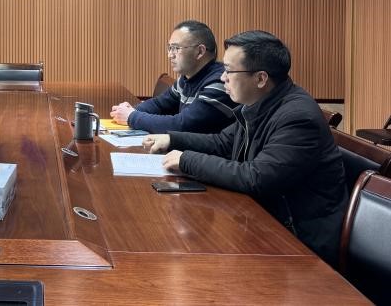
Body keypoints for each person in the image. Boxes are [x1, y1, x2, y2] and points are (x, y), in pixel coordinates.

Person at [143, 30, 347, 266]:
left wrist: (186, 160)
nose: (222, 78)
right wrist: (171, 139)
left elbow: (256, 177)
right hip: (262, 220)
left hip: (298, 243)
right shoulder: (259, 103)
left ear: (260, 79)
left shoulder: (298, 117)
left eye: (229, 71)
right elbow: (223, 142)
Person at [110, 20, 237, 133]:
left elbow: (183, 125)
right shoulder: (186, 78)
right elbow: (159, 104)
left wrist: (132, 117)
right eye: (169, 48)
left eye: (176, 48)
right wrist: (131, 110)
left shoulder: (220, 82)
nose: (170, 55)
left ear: (200, 51)